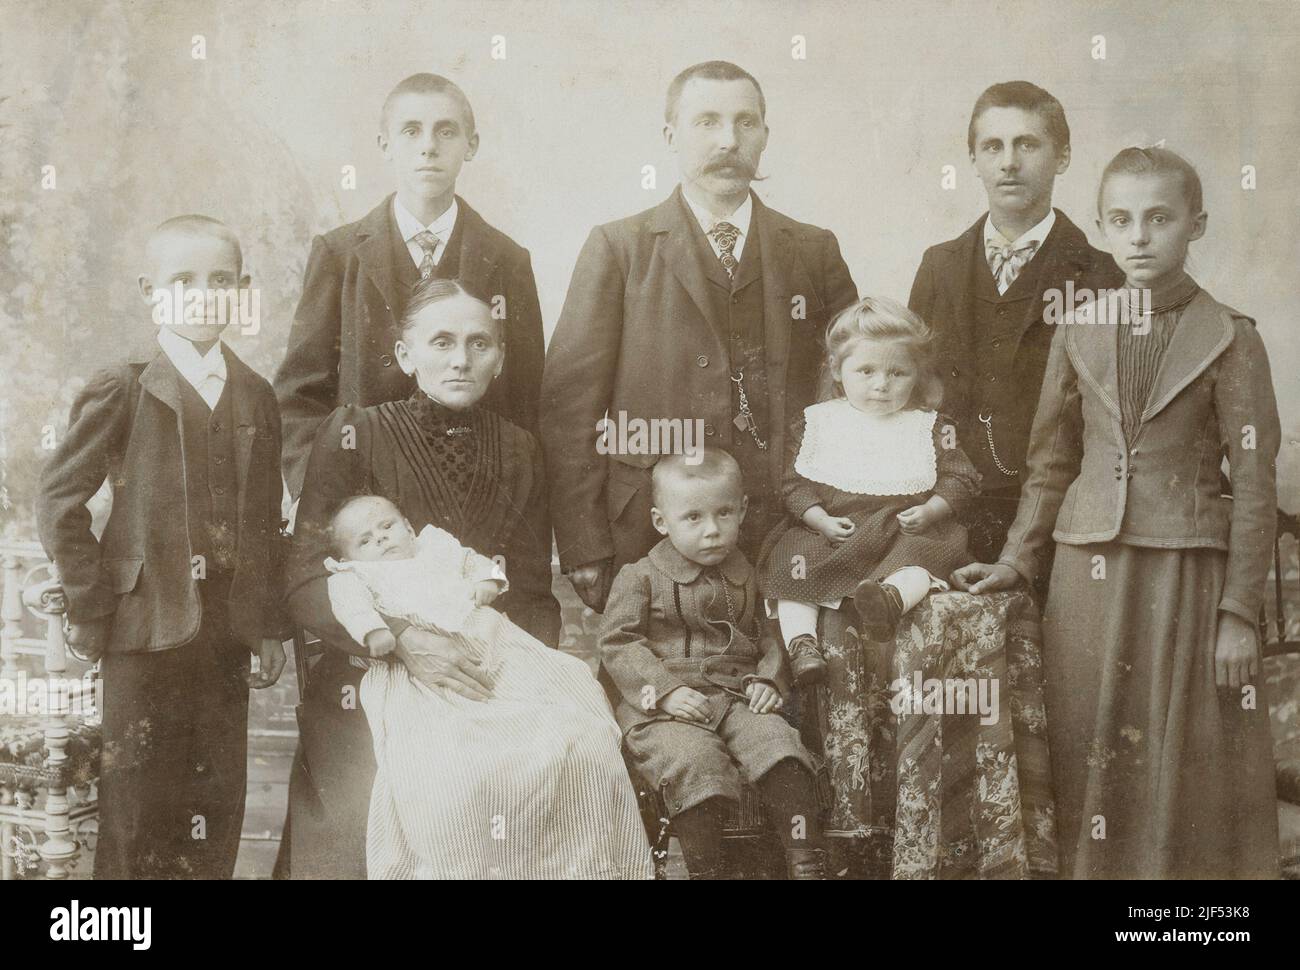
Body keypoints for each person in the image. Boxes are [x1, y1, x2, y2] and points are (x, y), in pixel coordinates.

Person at [952, 147, 1281, 878]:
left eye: (1159, 219)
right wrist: (1016, 562)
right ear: (1102, 226)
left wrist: (1238, 613)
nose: (1139, 237)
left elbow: (1255, 485)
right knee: (1087, 742)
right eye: (1122, 221)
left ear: (1196, 225)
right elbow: (1050, 466)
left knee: (1183, 748)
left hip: (1187, 571)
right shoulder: (1078, 329)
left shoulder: (1234, 337)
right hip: (1085, 575)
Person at [542, 60, 858, 613]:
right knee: (662, 692)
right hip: (651, 533)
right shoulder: (620, 248)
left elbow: (854, 394)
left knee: (787, 689)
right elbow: (570, 410)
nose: (728, 141)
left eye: (745, 123)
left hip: (790, 529)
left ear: (764, 135)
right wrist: (583, 542)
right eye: (706, 122)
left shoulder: (813, 249)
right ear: (671, 136)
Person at [282, 276, 567, 879]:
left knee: (556, 772)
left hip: (481, 678)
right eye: (441, 342)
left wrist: (518, 681)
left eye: (479, 343)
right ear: (407, 356)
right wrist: (403, 641)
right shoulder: (354, 430)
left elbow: (534, 594)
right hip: (371, 674)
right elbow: (305, 575)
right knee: (365, 824)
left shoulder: (520, 449)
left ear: (499, 360)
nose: (461, 359)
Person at [36, 215, 288, 879]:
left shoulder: (258, 395)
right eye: (183, 280)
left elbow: (264, 522)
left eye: (220, 281)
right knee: (137, 809)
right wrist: (92, 606)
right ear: (152, 292)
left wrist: (265, 627)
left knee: (215, 800)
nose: (203, 295)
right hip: (142, 631)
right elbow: (60, 501)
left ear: (242, 291)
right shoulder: (123, 385)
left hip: (225, 637)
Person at [321, 494, 651, 879]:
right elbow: (347, 604)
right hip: (422, 680)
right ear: (350, 558)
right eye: (364, 541)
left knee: (578, 717)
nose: (379, 539)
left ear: (409, 528)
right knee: (456, 768)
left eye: (387, 526)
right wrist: (374, 629)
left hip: (498, 651)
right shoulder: (356, 577)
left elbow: (475, 561)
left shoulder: (436, 546)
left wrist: (485, 580)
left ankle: (576, 868)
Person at [274, 72, 546, 499]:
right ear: (385, 145)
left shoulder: (508, 260)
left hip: (474, 496)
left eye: (446, 131)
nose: (429, 147)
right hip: (365, 497)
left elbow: (526, 400)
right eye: (411, 131)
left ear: (470, 146)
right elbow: (299, 395)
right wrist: (329, 496)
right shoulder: (339, 254)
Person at [908, 81, 1123, 575]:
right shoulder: (939, 267)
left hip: (1059, 517)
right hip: (946, 511)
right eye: (993, 146)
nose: (1009, 162)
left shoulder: (1103, 276)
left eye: (1027, 144)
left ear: (1062, 156)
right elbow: (913, 390)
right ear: (974, 159)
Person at [599, 450, 828, 879]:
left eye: (724, 513)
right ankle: (707, 872)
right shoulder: (639, 577)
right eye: (693, 518)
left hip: (737, 696)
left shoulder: (752, 573)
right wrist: (664, 691)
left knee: (779, 746)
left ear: (742, 510)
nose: (712, 531)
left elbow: (770, 635)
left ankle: (805, 861)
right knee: (694, 762)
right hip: (666, 710)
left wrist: (769, 680)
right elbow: (618, 643)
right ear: (660, 521)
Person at [757, 297, 980, 682]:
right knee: (790, 561)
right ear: (838, 370)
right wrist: (820, 519)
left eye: (898, 373)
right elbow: (793, 484)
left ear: (918, 374)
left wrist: (933, 511)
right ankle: (802, 644)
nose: (881, 385)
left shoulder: (929, 425)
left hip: (899, 531)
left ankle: (889, 599)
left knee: (924, 555)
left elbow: (962, 477)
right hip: (833, 532)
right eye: (866, 371)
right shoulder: (819, 423)